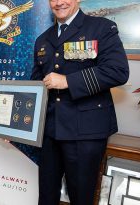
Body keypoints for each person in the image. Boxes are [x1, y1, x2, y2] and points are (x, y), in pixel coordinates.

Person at [31, 0, 129, 205]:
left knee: (81, 197)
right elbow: (35, 87)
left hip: (86, 133)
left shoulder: (101, 28)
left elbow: (117, 71)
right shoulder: (42, 39)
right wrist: (17, 127)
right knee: (46, 195)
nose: (59, 3)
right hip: (50, 131)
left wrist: (68, 81)